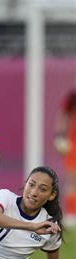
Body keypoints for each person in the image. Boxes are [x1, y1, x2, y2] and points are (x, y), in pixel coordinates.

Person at [54, 87, 76, 227]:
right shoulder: (72, 96)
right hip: (74, 142)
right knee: (72, 179)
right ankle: (71, 214)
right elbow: (63, 115)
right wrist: (60, 135)